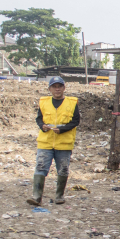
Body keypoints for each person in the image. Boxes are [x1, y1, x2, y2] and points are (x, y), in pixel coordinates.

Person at [27, 77, 81, 206]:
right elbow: (39, 119)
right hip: (46, 142)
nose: (57, 89)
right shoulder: (44, 102)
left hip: (64, 143)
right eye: (54, 86)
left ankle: (59, 196)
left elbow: (75, 121)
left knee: (63, 169)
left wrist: (62, 129)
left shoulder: (72, 103)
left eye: (59, 86)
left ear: (64, 88)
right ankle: (36, 197)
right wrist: (42, 126)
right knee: (40, 167)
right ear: (50, 89)